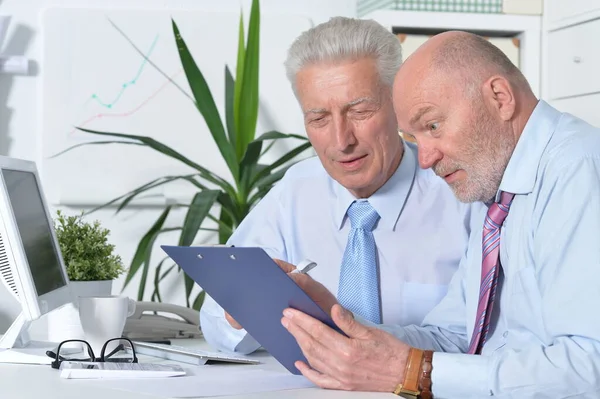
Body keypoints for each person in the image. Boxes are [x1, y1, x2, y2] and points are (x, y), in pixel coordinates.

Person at [279, 30, 600, 399]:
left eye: (432, 125)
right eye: (415, 137)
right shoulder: (497, 190)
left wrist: (415, 372)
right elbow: (455, 337)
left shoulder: (580, 169)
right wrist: (339, 321)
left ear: (500, 97)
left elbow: (591, 367)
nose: (426, 159)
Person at [200, 18, 483, 355]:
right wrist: (240, 313)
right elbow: (215, 323)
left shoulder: (464, 194)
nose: (341, 141)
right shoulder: (295, 190)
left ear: (399, 106)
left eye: (360, 111)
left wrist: (337, 322)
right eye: (318, 119)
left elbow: (480, 341)